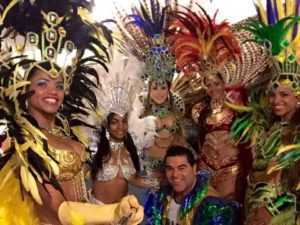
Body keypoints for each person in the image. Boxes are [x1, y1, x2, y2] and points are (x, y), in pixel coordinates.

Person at [0, 1, 143, 225]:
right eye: (42, 84)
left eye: (59, 85)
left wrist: (118, 213)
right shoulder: (24, 141)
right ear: (26, 87)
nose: (53, 92)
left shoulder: (68, 133)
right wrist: (112, 212)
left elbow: (81, 199)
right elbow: (58, 209)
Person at [166, 5, 270, 206]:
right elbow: (193, 140)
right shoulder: (198, 111)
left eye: (216, 83)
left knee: (228, 210)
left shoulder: (238, 108)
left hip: (231, 171)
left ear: (224, 83)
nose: (212, 88)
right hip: (206, 172)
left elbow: (250, 141)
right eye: (208, 84)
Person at [230, 1, 300, 224]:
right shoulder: (269, 127)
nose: (276, 101)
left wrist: (272, 209)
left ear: (298, 98)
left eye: (284, 95)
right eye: (273, 94)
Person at [116, 0, 187, 187]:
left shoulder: (177, 106)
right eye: (155, 87)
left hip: (173, 177)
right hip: (146, 178)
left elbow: (182, 142)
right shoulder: (140, 111)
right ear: (148, 88)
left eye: (163, 87)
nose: (159, 92)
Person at [90, 51, 156, 204]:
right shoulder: (95, 149)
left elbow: (135, 180)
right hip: (95, 212)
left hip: (121, 214)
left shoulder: (131, 150)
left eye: (123, 121)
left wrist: (160, 182)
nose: (120, 126)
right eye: (114, 122)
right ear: (107, 124)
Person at [145, 145, 239, 225]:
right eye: (170, 169)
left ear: (194, 169)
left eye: (181, 168)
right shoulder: (160, 197)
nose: (175, 175)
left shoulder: (212, 206)